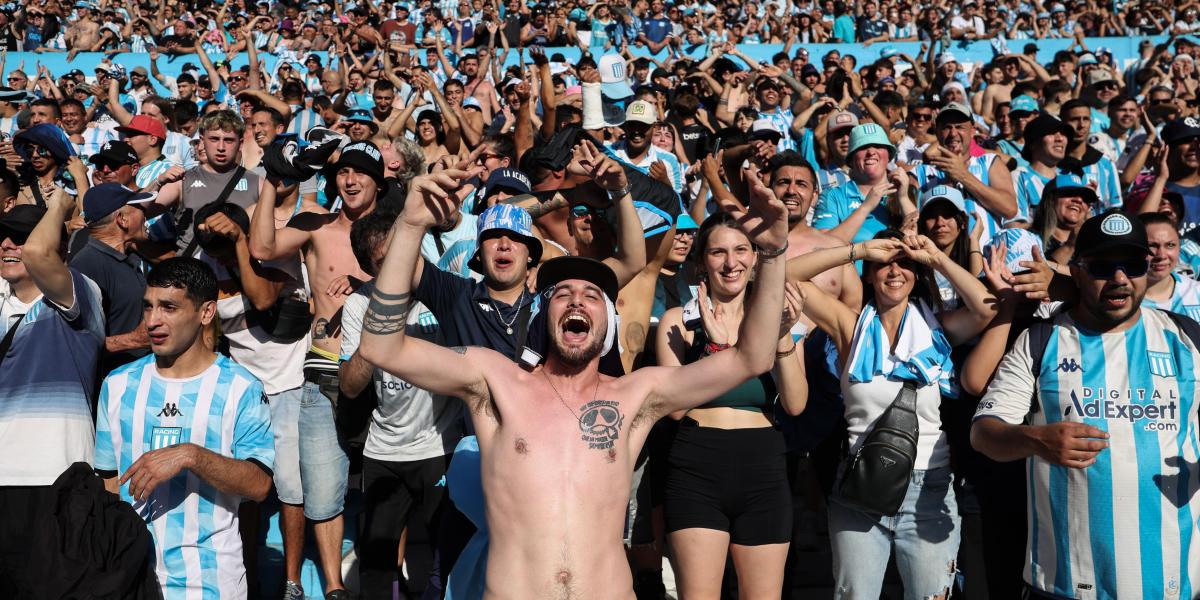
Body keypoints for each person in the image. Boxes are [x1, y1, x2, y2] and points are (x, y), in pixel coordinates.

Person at [357, 164, 787, 596]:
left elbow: (752, 357)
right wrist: (411, 225)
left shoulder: (637, 396)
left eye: (591, 296)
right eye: (562, 293)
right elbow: (382, 347)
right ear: (545, 314)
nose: (576, 299)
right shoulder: (495, 383)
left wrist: (771, 255)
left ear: (609, 319)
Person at [972, 210, 1200, 599]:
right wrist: (1034, 439)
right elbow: (983, 432)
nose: (1119, 278)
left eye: (1132, 264)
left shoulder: (1186, 336)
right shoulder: (1041, 340)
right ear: (1075, 272)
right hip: (1066, 585)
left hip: (1172, 584)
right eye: (1101, 266)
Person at [790, 231, 1000, 600]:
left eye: (905, 264)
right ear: (868, 274)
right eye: (883, 263)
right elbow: (785, 277)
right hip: (859, 488)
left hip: (928, 490)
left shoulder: (940, 329)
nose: (895, 270)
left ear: (917, 276)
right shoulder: (849, 326)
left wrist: (936, 259)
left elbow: (987, 308)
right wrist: (858, 250)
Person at [249, 141, 385, 600]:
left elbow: (417, 280)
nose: (350, 180)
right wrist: (273, 178)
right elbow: (262, 245)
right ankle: (332, 586)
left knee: (389, 480)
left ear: (379, 183)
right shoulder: (315, 226)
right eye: (343, 172)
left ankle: (393, 573)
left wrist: (368, 283)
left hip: (385, 371)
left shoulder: (395, 231)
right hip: (323, 369)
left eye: (361, 173)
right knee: (324, 487)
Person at [94, 257, 274, 598]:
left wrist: (190, 456)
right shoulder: (117, 385)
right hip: (129, 577)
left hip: (209, 581)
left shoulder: (241, 388)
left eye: (169, 308)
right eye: (148, 307)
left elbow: (260, 484)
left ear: (206, 313)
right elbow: (108, 483)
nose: (153, 321)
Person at [655, 212, 809, 598]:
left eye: (741, 250)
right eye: (718, 252)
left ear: (757, 257)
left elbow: (795, 403)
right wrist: (713, 346)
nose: (731, 262)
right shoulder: (679, 321)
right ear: (701, 261)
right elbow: (673, 407)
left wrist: (782, 336)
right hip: (697, 466)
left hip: (763, 468)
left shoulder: (782, 318)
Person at [340, 210, 464, 599]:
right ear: (368, 269)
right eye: (385, 262)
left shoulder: (444, 296)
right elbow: (350, 385)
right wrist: (380, 328)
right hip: (385, 449)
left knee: (442, 560)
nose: (400, 268)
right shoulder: (359, 307)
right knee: (376, 566)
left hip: (439, 447)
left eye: (403, 255)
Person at [0, 198, 105, 599]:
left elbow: (39, 253)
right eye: (3, 237)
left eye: (22, 236)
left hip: (57, 479)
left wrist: (61, 202)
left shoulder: (79, 293)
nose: (11, 245)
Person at [69, 183, 153, 375]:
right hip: (108, 390)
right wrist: (134, 339)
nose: (146, 216)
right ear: (122, 219)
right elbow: (73, 341)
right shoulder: (88, 264)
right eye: (139, 209)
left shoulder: (127, 258)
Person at [1140, 212, 1200, 317]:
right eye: (1151, 246)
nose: (1161, 255)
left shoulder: (1196, 292)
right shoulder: (1122, 301)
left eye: (1170, 245)